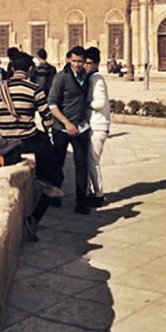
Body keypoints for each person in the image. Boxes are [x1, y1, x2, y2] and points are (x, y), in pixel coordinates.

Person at [0, 45, 63, 241]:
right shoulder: (34, 89)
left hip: (7, 140)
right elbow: (47, 119)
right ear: (30, 70)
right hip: (28, 140)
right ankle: (34, 218)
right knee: (55, 175)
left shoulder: (1, 91)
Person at [46, 46, 96, 214]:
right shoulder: (61, 78)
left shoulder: (86, 77)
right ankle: (55, 195)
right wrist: (66, 123)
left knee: (81, 165)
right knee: (57, 162)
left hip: (81, 128)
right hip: (62, 128)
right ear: (68, 59)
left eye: (80, 61)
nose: (77, 64)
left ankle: (80, 201)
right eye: (74, 61)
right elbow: (52, 104)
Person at [84, 45, 111, 205]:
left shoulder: (97, 79)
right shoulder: (92, 78)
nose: (86, 66)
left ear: (96, 64)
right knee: (90, 161)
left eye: (89, 63)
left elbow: (100, 102)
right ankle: (93, 192)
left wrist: (86, 103)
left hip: (98, 125)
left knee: (92, 161)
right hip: (94, 124)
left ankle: (99, 194)